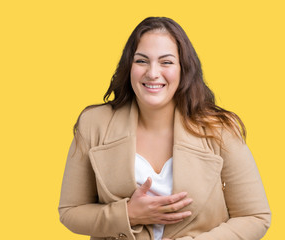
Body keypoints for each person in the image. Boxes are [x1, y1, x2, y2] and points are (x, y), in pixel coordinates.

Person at [58, 17, 271, 240]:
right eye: (141, 61)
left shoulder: (220, 128)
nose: (152, 72)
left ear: (183, 69)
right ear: (129, 67)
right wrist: (128, 214)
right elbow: (70, 211)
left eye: (166, 62)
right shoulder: (93, 124)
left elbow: (255, 216)